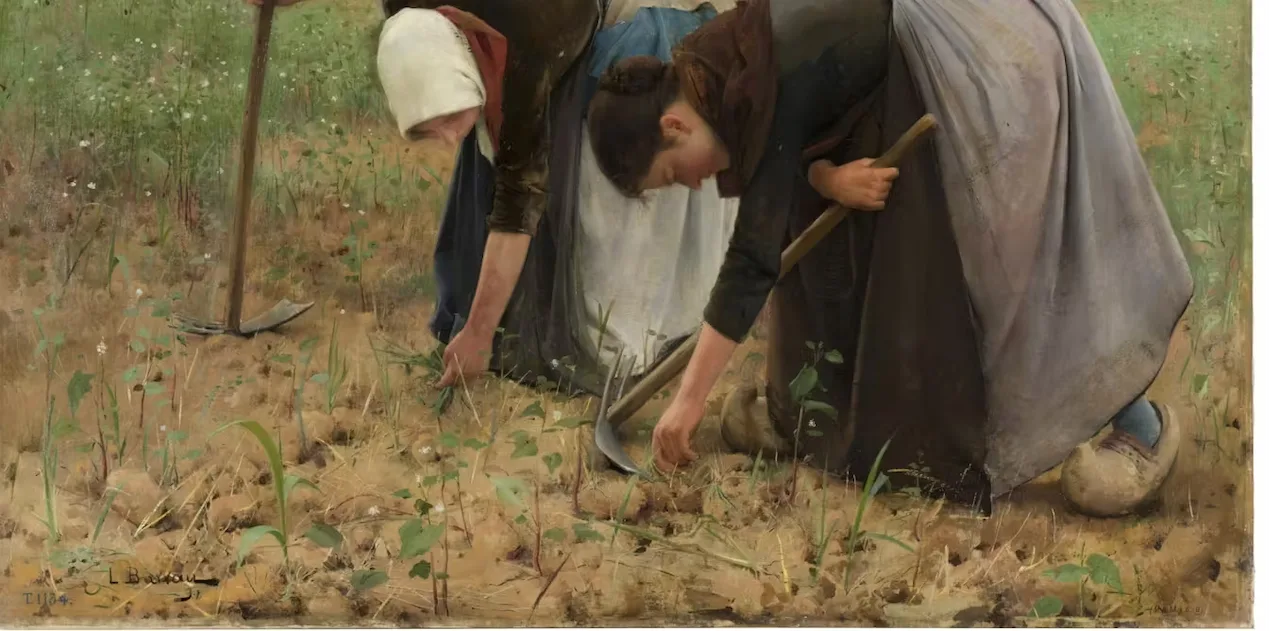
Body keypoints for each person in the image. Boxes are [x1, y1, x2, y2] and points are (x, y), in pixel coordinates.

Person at [585, 0, 1194, 517]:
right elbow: (803, 123)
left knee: (1003, 271)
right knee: (814, 219)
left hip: (986, 69)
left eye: (672, 175)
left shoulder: (757, 67)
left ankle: (1139, 424)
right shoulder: (716, 66)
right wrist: (825, 178)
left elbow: (752, 259)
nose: (692, 187)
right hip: (894, 80)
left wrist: (688, 401)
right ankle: (806, 412)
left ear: (672, 125)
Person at [249, 0, 743, 398]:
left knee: (554, 168)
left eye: (444, 118)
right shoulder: (410, 12)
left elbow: (517, 202)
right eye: (427, 128)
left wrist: (480, 335)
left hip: (594, 21)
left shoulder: (530, 48)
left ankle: (616, 332)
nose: (443, 139)